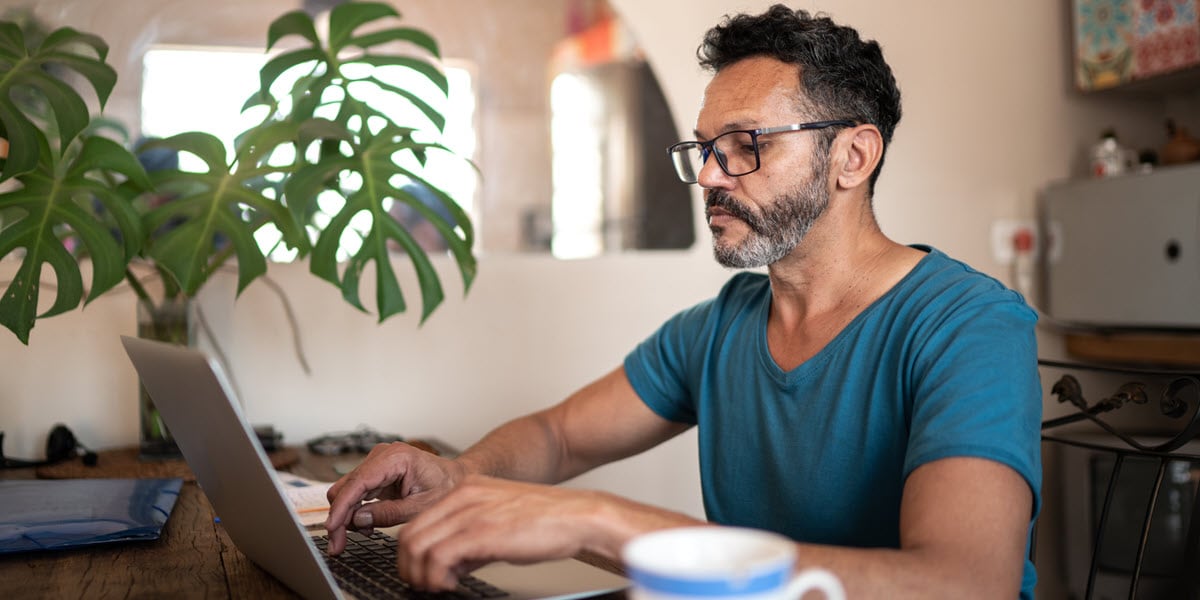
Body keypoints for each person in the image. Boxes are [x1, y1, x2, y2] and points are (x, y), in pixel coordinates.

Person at [324, 6, 1042, 599]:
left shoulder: (969, 327)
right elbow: (561, 436)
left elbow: (965, 583)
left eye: (742, 144)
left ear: (853, 157)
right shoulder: (721, 327)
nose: (708, 177)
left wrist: (594, 522)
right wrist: (462, 473)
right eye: (703, 149)